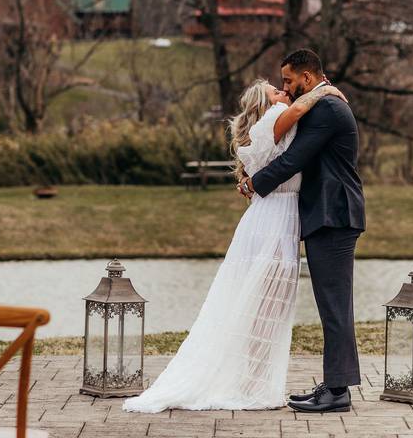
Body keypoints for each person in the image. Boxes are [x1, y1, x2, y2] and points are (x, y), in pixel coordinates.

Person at [123, 76, 345, 412]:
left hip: (276, 218)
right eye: (276, 90)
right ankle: (253, 385)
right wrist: (324, 90)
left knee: (265, 306)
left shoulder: (275, 123)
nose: (283, 91)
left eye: (284, 87)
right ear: (266, 104)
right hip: (273, 221)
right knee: (265, 306)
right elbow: (300, 108)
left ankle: (256, 382)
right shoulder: (275, 119)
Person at [240, 48, 366, 414]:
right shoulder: (321, 102)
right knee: (332, 304)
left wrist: (253, 184)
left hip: (335, 214)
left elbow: (295, 159)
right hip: (328, 214)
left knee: (335, 305)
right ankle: (334, 383)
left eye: (289, 81)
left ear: (307, 78)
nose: (286, 87)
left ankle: (338, 392)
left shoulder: (326, 108)